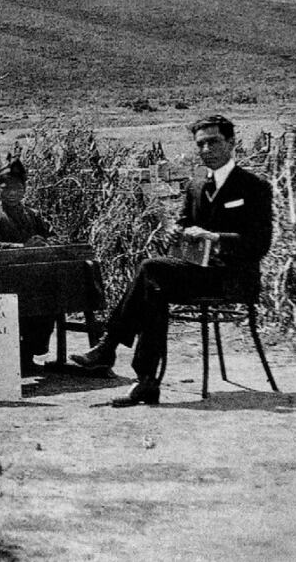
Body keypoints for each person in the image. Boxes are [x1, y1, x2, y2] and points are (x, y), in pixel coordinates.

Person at [71, 115, 274, 406]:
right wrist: (174, 232)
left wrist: (216, 237)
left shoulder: (254, 186)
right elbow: (183, 222)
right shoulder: (196, 184)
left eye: (213, 142)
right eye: (200, 144)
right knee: (154, 289)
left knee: (151, 269)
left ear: (231, 143)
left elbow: (260, 243)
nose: (206, 149)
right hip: (197, 273)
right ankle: (146, 381)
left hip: (233, 277)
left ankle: (108, 347)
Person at [0, 158, 58, 374]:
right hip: (4, 280)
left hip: (34, 278)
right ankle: (17, 358)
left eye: (18, 188)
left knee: (48, 303)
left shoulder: (33, 215)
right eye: (7, 188)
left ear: (24, 190)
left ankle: (29, 353)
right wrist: (22, 247)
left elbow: (53, 235)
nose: (12, 193)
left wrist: (46, 243)